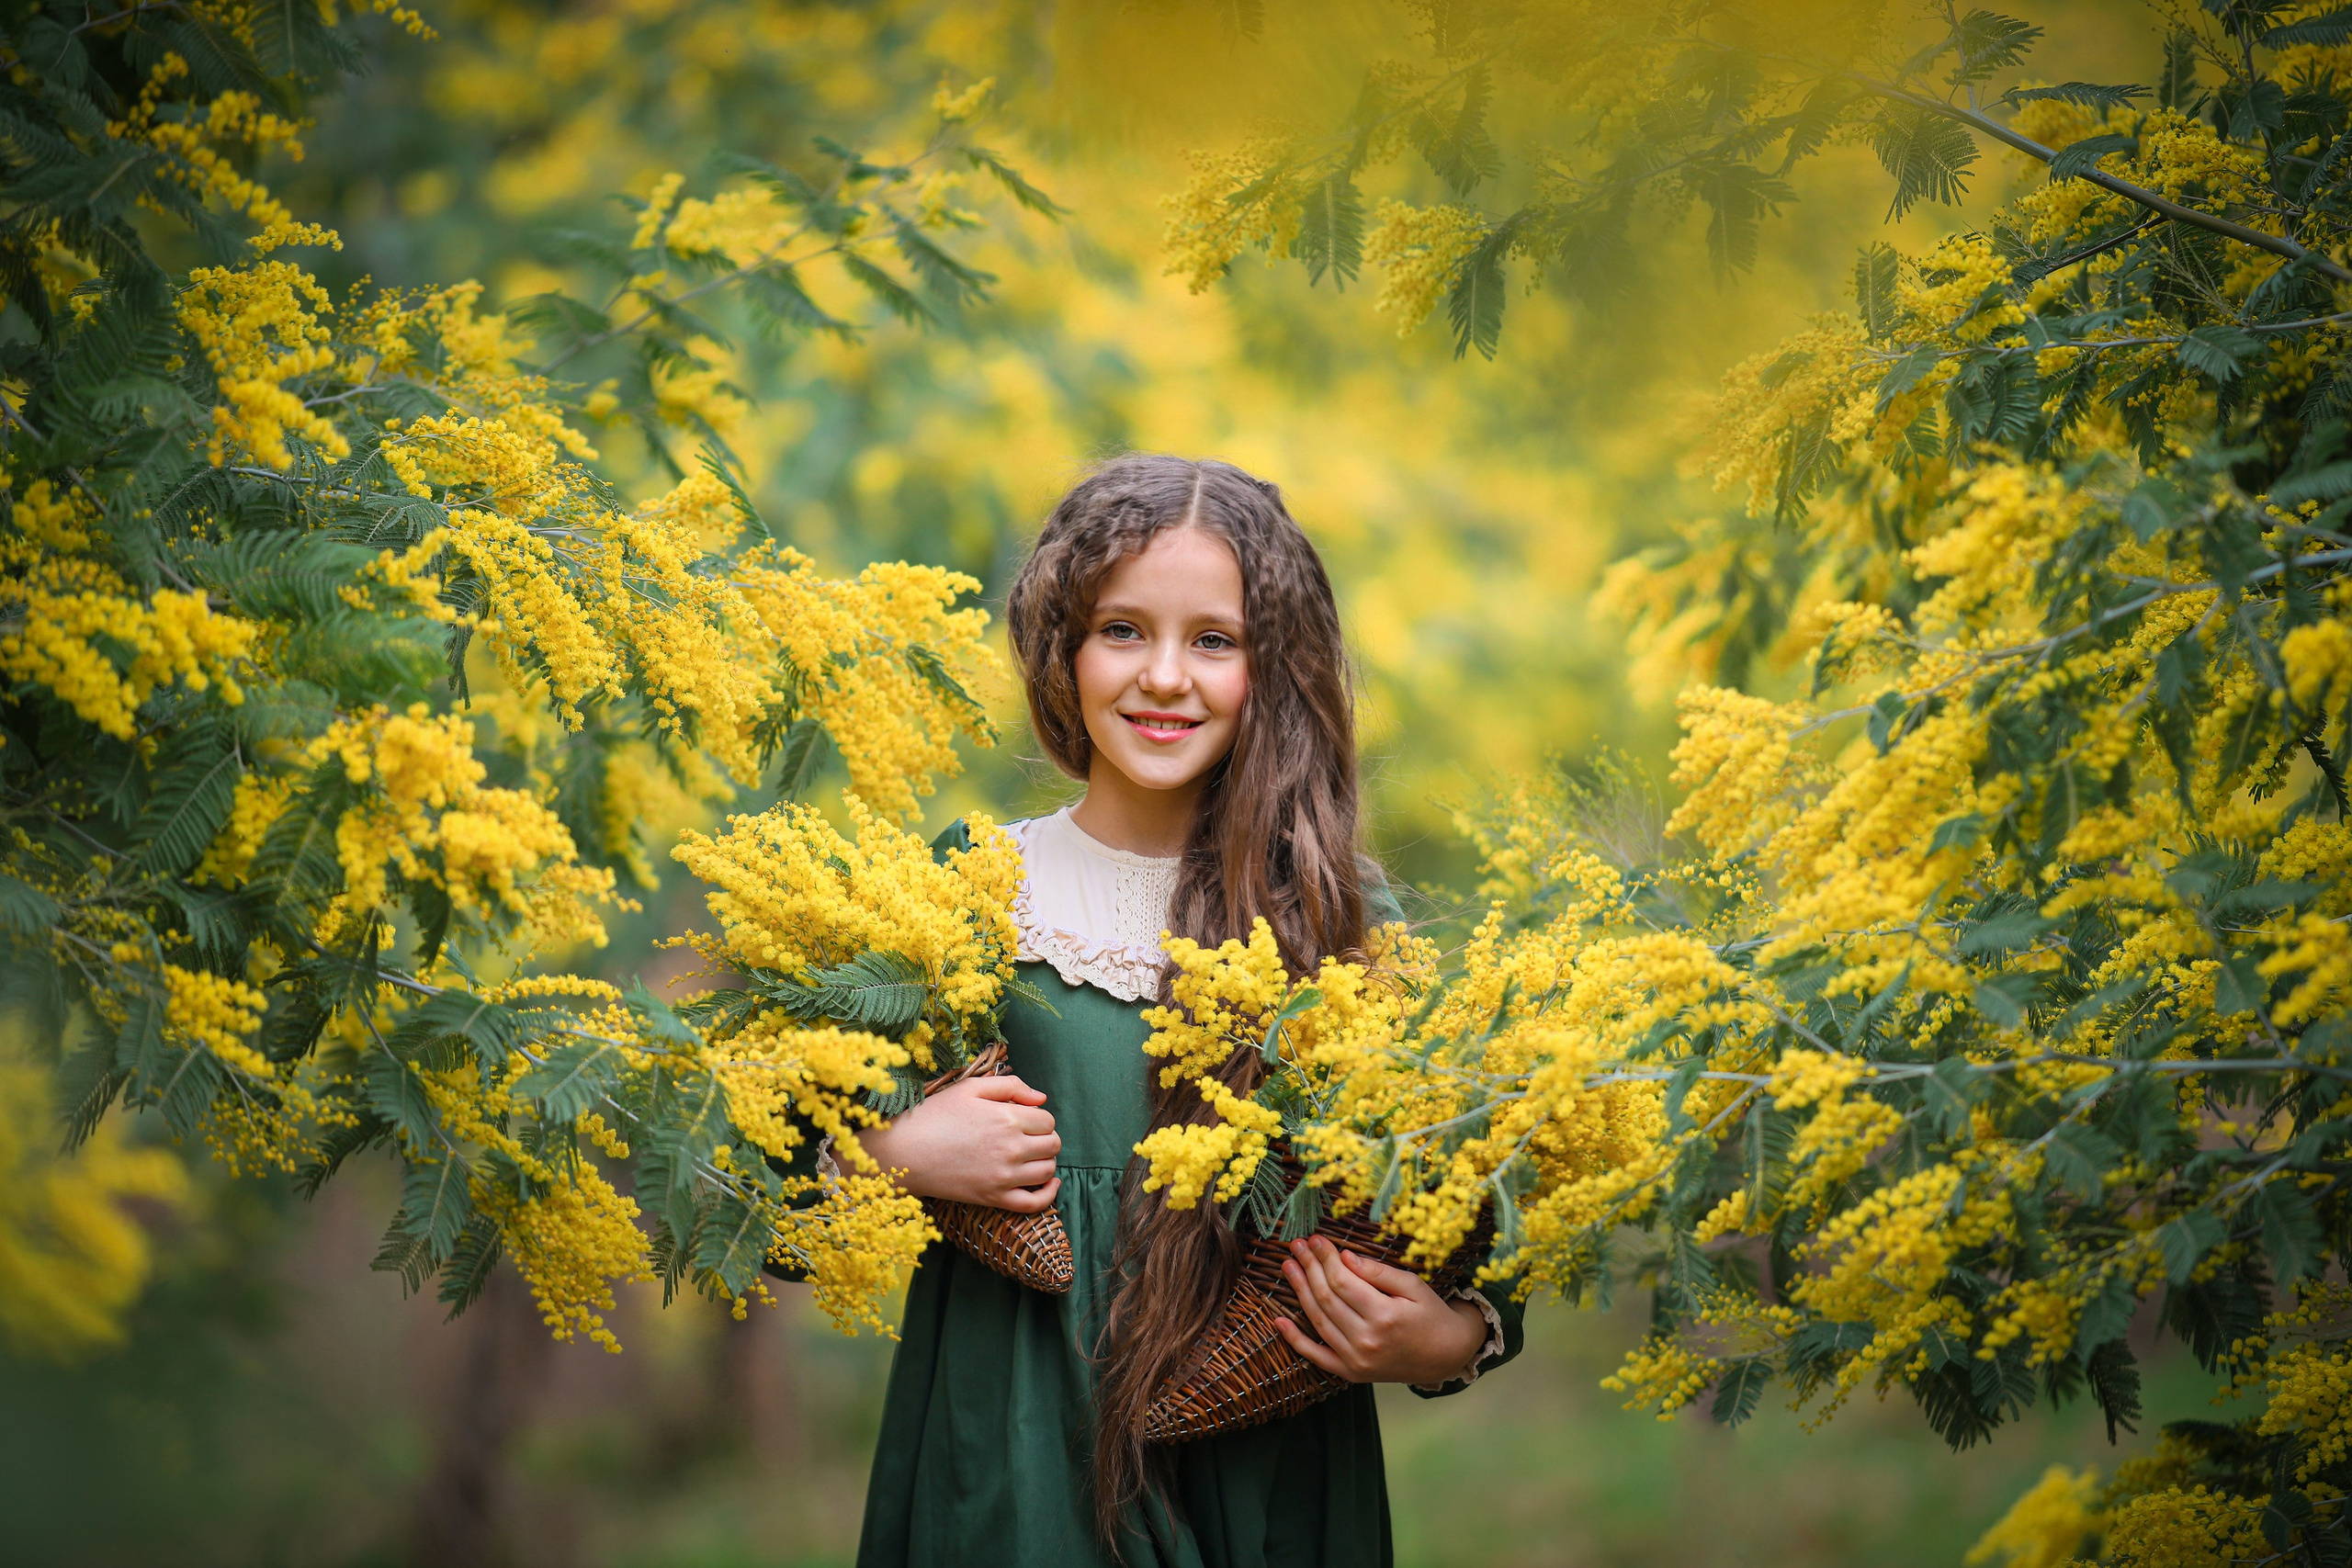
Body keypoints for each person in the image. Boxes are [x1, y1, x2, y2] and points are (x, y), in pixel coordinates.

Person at [851, 455, 1522, 1567]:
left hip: (1268, 1473)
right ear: (1061, 646)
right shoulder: (966, 892)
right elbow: (763, 1159)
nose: (1165, 676)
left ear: (1275, 668)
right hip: (1013, 1453)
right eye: (1122, 629)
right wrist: (893, 1149)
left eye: (1214, 640)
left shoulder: (1341, 925)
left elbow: (1466, 1222)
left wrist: (1439, 1338)